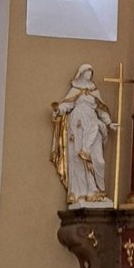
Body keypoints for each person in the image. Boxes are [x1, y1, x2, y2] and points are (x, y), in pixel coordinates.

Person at [51, 64, 113, 204]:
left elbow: (101, 110)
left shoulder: (94, 91)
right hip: (77, 126)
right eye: (87, 72)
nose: (89, 74)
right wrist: (57, 109)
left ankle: (97, 190)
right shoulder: (75, 90)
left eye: (91, 72)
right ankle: (81, 193)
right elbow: (67, 105)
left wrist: (109, 123)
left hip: (92, 124)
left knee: (97, 158)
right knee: (78, 159)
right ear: (81, 73)